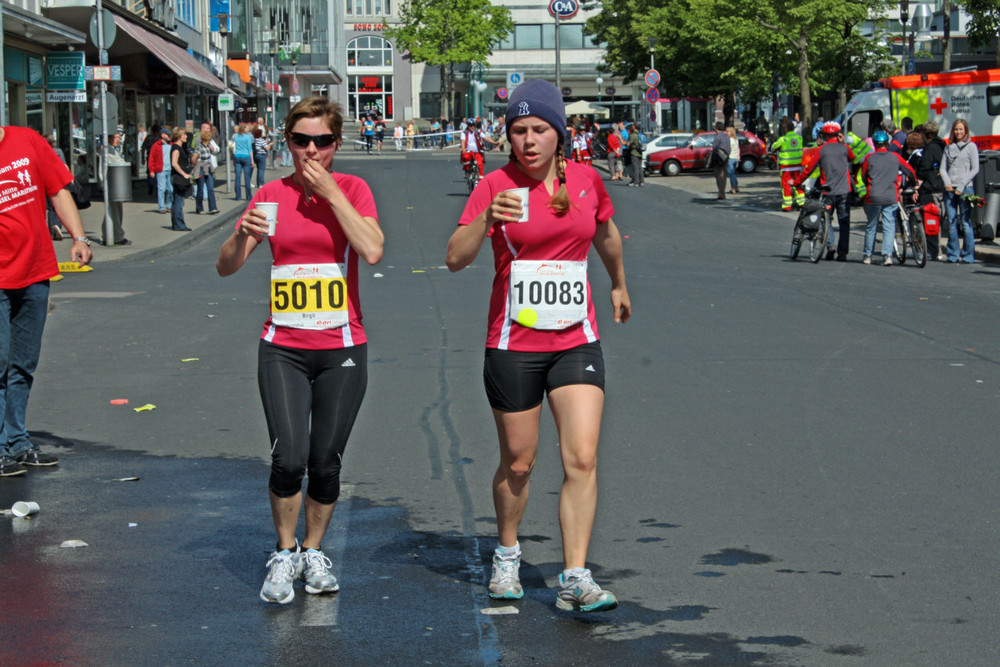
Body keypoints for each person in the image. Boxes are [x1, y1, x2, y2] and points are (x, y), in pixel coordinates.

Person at [445, 78, 630, 613]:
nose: (528, 141)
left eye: (539, 130)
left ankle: (575, 574)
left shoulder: (588, 181)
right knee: (519, 464)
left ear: (559, 134)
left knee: (582, 456)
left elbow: (608, 235)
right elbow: (455, 257)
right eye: (519, 130)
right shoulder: (494, 184)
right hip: (513, 344)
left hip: (576, 339)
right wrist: (486, 218)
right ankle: (507, 553)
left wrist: (617, 282)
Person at [216, 96, 384, 604]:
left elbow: (372, 249)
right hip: (284, 346)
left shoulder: (353, 189)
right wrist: (240, 234)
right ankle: (284, 551)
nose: (311, 151)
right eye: (301, 140)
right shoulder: (270, 193)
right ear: (286, 141)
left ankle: (313, 550)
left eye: (323, 142)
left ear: (337, 143)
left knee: (325, 460)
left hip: (342, 345)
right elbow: (227, 266)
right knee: (289, 458)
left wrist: (332, 193)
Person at [0, 126, 93, 477]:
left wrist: (79, 237)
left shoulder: (28, 141)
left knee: (23, 363)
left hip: (34, 270)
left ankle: (17, 440)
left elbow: (58, 190)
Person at [794, 121, 856, 260]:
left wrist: (798, 182)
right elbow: (853, 158)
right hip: (845, 191)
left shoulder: (821, 150)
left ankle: (830, 245)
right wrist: (843, 142)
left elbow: (809, 169)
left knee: (826, 219)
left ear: (824, 134)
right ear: (838, 133)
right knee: (844, 222)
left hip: (828, 191)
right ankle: (842, 252)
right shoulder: (845, 148)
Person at [861, 130, 917, 265]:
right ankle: (887, 256)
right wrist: (914, 183)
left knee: (871, 226)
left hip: (873, 195)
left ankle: (867, 256)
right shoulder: (895, 157)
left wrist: (869, 184)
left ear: (874, 144)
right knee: (889, 225)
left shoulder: (869, 158)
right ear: (887, 143)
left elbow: (864, 176)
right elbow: (910, 171)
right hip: (891, 194)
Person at [941, 118, 979, 264]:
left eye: (961, 129)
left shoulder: (972, 147)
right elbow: (943, 168)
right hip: (950, 189)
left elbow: (975, 169)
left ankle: (968, 255)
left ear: (966, 130)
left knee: (966, 222)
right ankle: (952, 254)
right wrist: (948, 183)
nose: (958, 132)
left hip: (965, 189)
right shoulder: (948, 147)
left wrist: (962, 185)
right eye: (956, 129)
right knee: (951, 222)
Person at [918, 121, 946, 261]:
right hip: (941, 187)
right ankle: (938, 249)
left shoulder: (930, 149)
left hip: (931, 188)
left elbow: (924, 168)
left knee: (931, 222)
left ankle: (934, 250)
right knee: (938, 221)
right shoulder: (942, 145)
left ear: (925, 134)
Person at [772, 117, 804, 211]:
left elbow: (774, 147)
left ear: (785, 129)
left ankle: (787, 206)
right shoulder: (799, 138)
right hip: (797, 166)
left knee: (786, 186)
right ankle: (801, 203)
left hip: (786, 167)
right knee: (797, 184)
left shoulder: (783, 139)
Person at [169, 127, 193, 232]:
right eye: (184, 134)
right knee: (178, 202)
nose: (186, 136)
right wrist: (184, 174)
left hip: (179, 176)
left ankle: (177, 224)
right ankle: (179, 224)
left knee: (177, 201)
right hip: (178, 177)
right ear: (179, 136)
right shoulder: (176, 148)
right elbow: (174, 163)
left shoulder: (179, 147)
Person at [194, 129, 220, 215]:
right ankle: (199, 208)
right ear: (207, 139)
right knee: (200, 189)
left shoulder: (208, 147)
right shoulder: (199, 147)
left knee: (210, 188)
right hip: (201, 169)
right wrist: (197, 166)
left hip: (208, 169)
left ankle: (213, 208)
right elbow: (194, 158)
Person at [148, 127, 173, 213]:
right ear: (162, 135)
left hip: (170, 170)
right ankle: (161, 207)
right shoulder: (156, 145)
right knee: (161, 189)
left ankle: (169, 205)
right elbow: (151, 158)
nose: (169, 136)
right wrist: (151, 170)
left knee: (171, 189)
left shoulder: (172, 145)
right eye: (167, 134)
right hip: (161, 170)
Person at [232, 123, 253, 200]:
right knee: (247, 177)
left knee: (237, 177)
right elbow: (250, 149)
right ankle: (248, 196)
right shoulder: (247, 137)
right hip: (246, 156)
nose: (249, 130)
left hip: (237, 156)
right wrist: (252, 160)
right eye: (247, 128)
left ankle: (238, 196)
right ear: (244, 129)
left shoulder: (235, 136)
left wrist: (233, 157)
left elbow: (232, 146)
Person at [711, 122, 730, 200]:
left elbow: (715, 148)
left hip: (718, 158)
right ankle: (723, 192)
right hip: (726, 157)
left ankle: (721, 193)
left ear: (717, 129)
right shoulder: (727, 137)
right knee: (724, 175)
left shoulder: (717, 137)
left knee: (719, 176)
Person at [726, 126, 740, 194]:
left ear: (731, 132)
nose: (726, 133)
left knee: (731, 174)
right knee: (733, 174)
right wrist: (738, 156)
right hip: (735, 158)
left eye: (728, 131)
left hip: (730, 158)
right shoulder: (736, 139)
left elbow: (728, 149)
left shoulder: (730, 140)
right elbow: (738, 149)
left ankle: (733, 188)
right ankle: (737, 187)